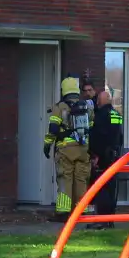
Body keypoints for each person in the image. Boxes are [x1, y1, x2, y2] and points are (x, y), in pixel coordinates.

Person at [45, 75, 92, 222]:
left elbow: (53, 128)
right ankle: (81, 211)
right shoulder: (86, 107)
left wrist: (47, 145)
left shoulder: (60, 107)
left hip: (65, 150)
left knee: (65, 179)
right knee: (81, 180)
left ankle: (63, 213)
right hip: (83, 150)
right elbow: (91, 127)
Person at [88, 86, 123, 230]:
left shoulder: (100, 115)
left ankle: (102, 220)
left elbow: (97, 137)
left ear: (100, 102)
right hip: (114, 156)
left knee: (101, 188)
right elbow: (119, 136)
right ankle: (110, 220)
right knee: (111, 188)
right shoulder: (116, 114)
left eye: (97, 100)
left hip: (102, 156)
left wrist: (94, 155)